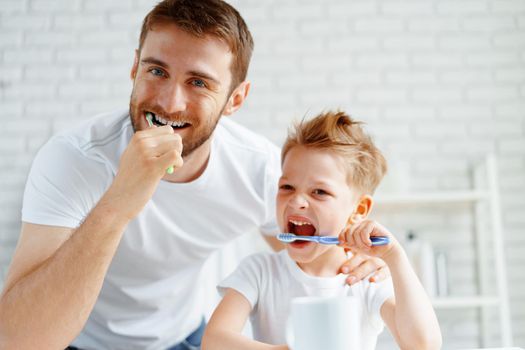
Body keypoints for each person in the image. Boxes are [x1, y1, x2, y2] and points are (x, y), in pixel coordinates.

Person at [0, 1, 388, 349]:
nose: (170, 103)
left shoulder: (263, 171)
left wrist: (359, 263)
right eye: (157, 71)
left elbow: (312, 252)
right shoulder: (73, 160)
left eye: (199, 82)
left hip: (184, 337)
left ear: (235, 99)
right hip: (76, 340)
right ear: (135, 68)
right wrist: (118, 204)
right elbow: (19, 340)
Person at [202, 111, 442, 350]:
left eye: (319, 192)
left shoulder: (366, 280)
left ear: (359, 209)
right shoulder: (260, 272)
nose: (296, 202)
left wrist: (395, 257)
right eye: (287, 186)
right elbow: (214, 342)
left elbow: (423, 345)